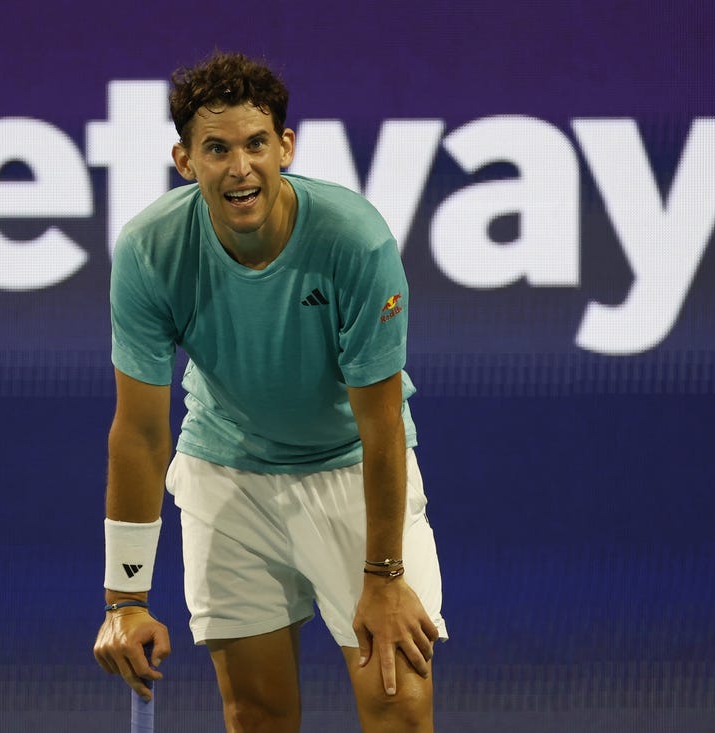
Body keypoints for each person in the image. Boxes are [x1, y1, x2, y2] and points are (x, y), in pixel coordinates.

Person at [92, 51, 447, 733]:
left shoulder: (354, 239)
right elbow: (138, 432)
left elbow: (380, 426)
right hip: (229, 474)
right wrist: (124, 599)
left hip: (352, 471)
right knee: (256, 715)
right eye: (216, 148)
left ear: (285, 146)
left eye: (257, 143)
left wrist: (384, 574)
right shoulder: (148, 249)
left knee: (400, 707)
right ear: (185, 159)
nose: (240, 166)